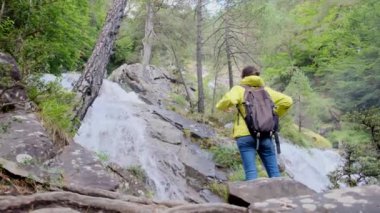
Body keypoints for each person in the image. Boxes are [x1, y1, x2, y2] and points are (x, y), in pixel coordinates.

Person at [216, 66, 293, 180]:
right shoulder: (266, 90)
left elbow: (227, 101)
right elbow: (288, 101)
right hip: (265, 133)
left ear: (243, 77)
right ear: (258, 76)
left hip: (245, 135)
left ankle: (252, 197)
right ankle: (280, 196)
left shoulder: (239, 89)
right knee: (274, 172)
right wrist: (274, 115)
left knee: (251, 172)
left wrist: (223, 107)